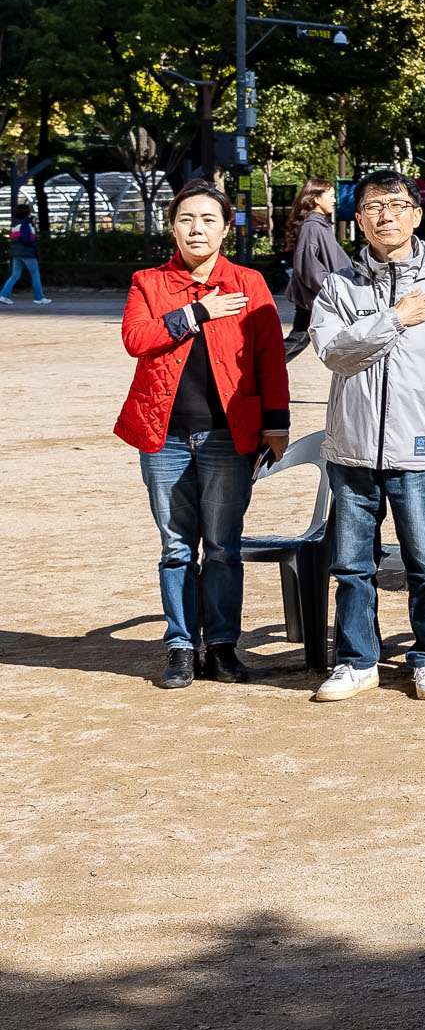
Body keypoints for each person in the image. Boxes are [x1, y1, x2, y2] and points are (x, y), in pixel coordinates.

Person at [308, 169, 425, 702]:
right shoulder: (339, 286)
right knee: (351, 566)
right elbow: (335, 352)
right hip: (351, 451)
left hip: (418, 451)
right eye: (372, 208)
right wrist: (396, 318)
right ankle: (356, 661)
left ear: (416, 213)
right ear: (357, 219)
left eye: (396, 204)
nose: (385, 215)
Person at [116, 180, 290, 689]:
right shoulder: (148, 282)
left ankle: (220, 646)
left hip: (227, 437)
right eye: (187, 219)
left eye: (208, 219)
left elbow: (269, 358)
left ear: (226, 228)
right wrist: (196, 312)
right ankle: (179, 647)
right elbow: (135, 339)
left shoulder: (249, 283)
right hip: (163, 435)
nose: (197, 228)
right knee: (175, 548)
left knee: (222, 547)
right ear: (173, 226)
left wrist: (275, 424)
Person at [281, 181, 349, 358]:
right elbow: (309, 266)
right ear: (317, 198)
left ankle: (262, 368)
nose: (334, 200)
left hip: (315, 294)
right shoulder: (312, 226)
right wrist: (330, 287)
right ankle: (261, 369)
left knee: (300, 337)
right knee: (300, 337)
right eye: (331, 196)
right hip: (313, 295)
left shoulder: (319, 225)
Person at [3, 200, 48, 304]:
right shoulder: (26, 223)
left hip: (16, 253)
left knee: (15, 275)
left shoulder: (15, 223)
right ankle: (39, 297)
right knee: (35, 274)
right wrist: (35, 246)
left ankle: (4, 295)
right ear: (26, 213)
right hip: (27, 252)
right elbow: (27, 238)